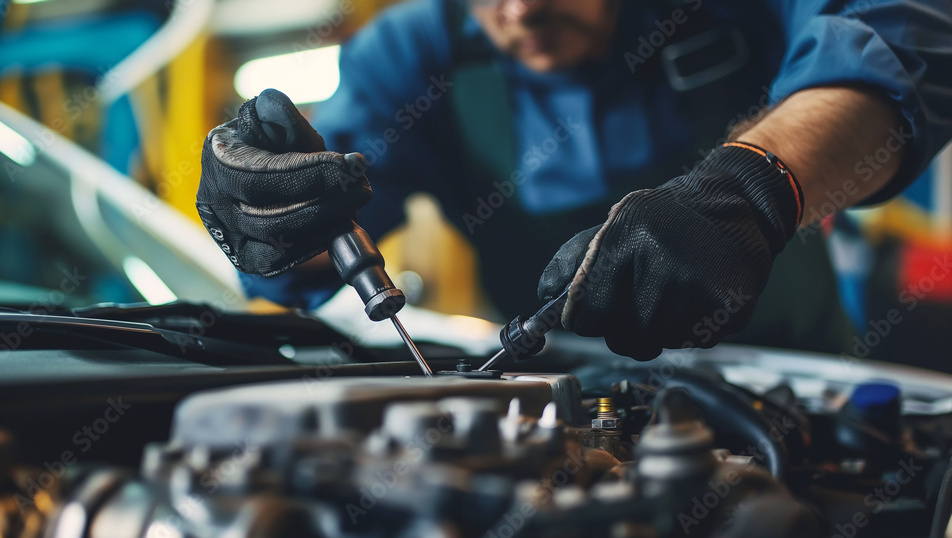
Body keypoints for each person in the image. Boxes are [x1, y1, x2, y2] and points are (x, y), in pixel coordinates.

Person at [197, 0, 952, 360]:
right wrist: (272, 209)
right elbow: (318, 232)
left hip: (799, 376)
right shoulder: (414, 54)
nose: (522, 11)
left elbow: (905, 45)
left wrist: (748, 193)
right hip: (559, 405)